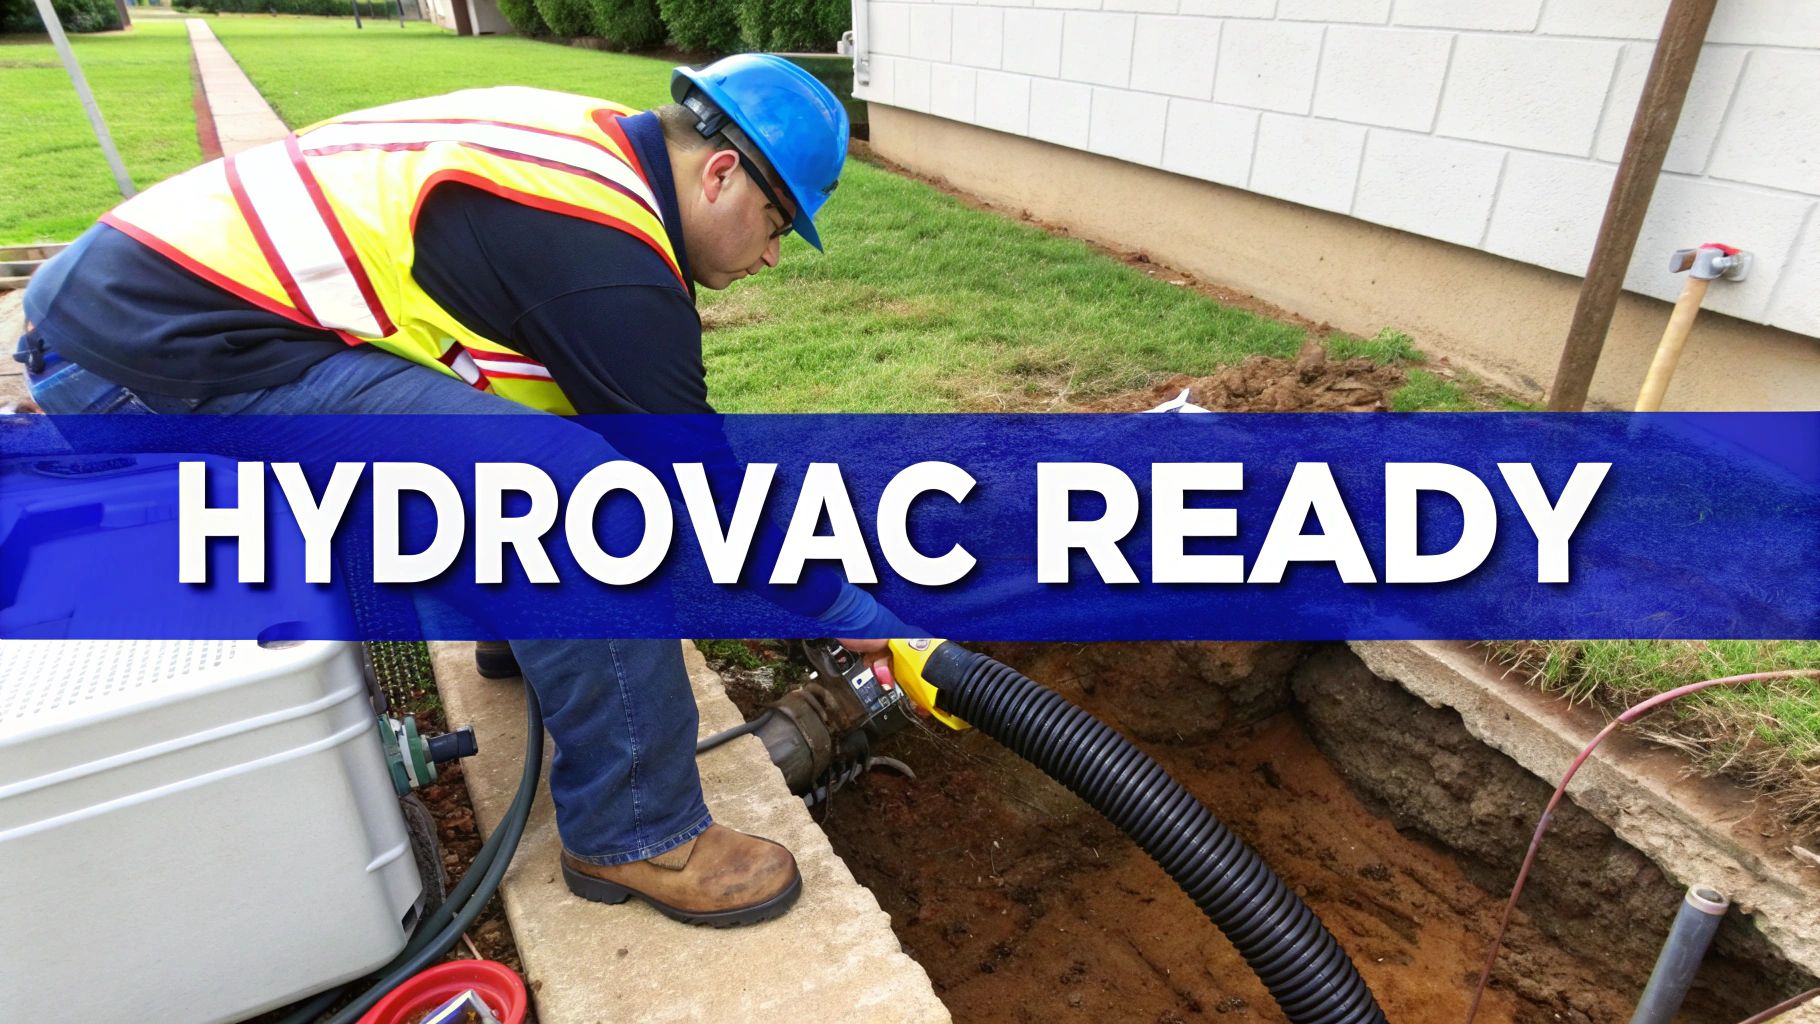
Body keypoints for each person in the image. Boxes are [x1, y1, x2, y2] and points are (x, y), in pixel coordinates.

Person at [14, 53, 909, 927]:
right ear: (722, 174)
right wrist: (859, 614)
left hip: (148, 318)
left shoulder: (590, 153)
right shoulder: (610, 257)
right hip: (156, 360)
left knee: (527, 449)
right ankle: (639, 830)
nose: (772, 258)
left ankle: (522, 635)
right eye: (779, 222)